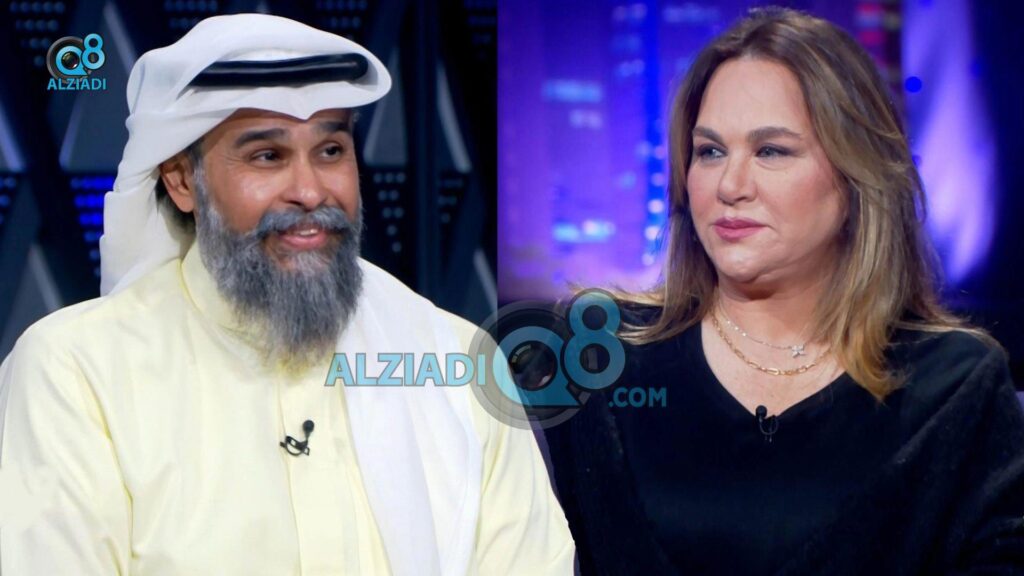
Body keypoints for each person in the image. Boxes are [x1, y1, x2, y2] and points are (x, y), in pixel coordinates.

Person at [0, 14, 573, 575]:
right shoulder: (76, 371)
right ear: (181, 180)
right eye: (267, 156)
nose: (310, 191)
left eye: (331, 151)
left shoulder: (456, 361)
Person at [544, 7, 1024, 575]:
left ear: (855, 174)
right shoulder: (598, 360)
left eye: (771, 151)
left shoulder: (955, 386)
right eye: (710, 151)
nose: (730, 185)